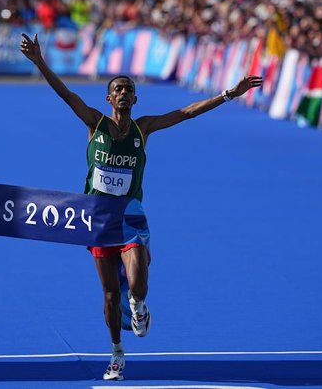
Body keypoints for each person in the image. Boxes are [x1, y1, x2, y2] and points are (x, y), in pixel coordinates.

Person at [20, 33, 262, 381]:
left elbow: (186, 113)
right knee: (107, 294)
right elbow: (66, 94)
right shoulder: (94, 123)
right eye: (117, 89)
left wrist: (228, 94)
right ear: (108, 98)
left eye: (128, 89)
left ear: (135, 98)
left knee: (136, 284)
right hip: (98, 219)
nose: (122, 92)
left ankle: (138, 306)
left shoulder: (142, 127)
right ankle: (117, 353)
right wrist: (39, 61)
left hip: (131, 215)